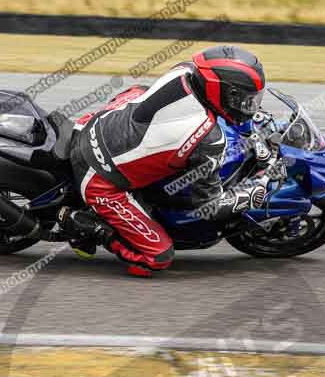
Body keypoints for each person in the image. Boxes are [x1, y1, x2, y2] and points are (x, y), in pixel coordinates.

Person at [58, 45, 267, 277]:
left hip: (94, 123)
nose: (249, 106)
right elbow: (208, 206)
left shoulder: (185, 70)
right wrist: (248, 196)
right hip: (98, 178)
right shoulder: (209, 140)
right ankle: (85, 224)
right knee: (158, 256)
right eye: (245, 100)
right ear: (223, 92)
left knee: (139, 90)